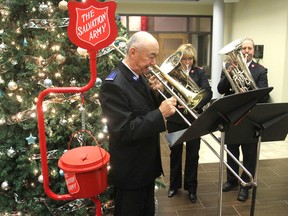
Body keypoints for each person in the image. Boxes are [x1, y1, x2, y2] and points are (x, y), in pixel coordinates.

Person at [99, 31, 177, 216]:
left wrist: (155, 93)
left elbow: (142, 109)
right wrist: (160, 114)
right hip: (131, 172)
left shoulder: (138, 75)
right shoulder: (114, 84)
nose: (154, 63)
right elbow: (124, 130)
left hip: (146, 167)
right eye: (151, 56)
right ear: (133, 52)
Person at [217, 37, 270, 202]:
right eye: (244, 48)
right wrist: (228, 74)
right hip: (232, 116)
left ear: (253, 51)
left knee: (249, 153)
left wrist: (247, 91)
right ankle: (232, 180)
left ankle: (245, 185)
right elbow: (220, 89)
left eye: (249, 48)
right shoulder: (228, 66)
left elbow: (264, 96)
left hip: (250, 117)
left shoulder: (260, 70)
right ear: (239, 51)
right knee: (231, 151)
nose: (247, 51)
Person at [165, 44, 212, 203]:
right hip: (175, 118)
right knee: (175, 154)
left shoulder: (199, 72)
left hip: (193, 118)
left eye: (190, 59)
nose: (187, 62)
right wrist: (173, 101)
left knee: (193, 154)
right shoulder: (171, 73)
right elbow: (165, 93)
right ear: (179, 59)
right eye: (184, 59)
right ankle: (173, 185)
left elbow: (208, 92)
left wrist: (194, 104)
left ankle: (192, 188)